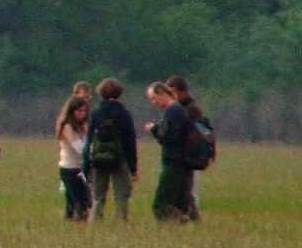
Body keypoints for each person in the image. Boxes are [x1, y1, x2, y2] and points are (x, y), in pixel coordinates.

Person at [84, 78, 139, 222]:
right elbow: (130, 142)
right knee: (122, 195)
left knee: (97, 196)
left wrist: (86, 163)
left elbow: (89, 139)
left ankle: (95, 223)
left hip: (98, 160)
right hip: (119, 159)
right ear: (119, 93)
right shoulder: (124, 114)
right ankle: (121, 221)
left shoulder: (96, 113)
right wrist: (133, 168)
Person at [146, 80, 199, 223]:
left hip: (174, 162)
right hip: (182, 162)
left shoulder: (172, 110)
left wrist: (154, 129)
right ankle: (189, 224)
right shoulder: (178, 109)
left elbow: (170, 137)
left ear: (161, 92)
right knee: (182, 202)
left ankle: (174, 224)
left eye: (153, 98)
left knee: (160, 204)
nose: (153, 103)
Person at [166, 74, 212, 220]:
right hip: (185, 155)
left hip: (190, 156)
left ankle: (191, 216)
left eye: (171, 92)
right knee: (184, 189)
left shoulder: (191, 110)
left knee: (189, 189)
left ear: (180, 91)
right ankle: (188, 215)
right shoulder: (183, 108)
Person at [56, 94, 93, 220]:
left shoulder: (83, 126)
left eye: (84, 111)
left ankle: (76, 223)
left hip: (81, 167)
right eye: (79, 111)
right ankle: (76, 224)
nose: (82, 114)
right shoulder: (67, 127)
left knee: (85, 201)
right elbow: (80, 148)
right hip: (70, 168)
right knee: (78, 203)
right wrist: (87, 133)